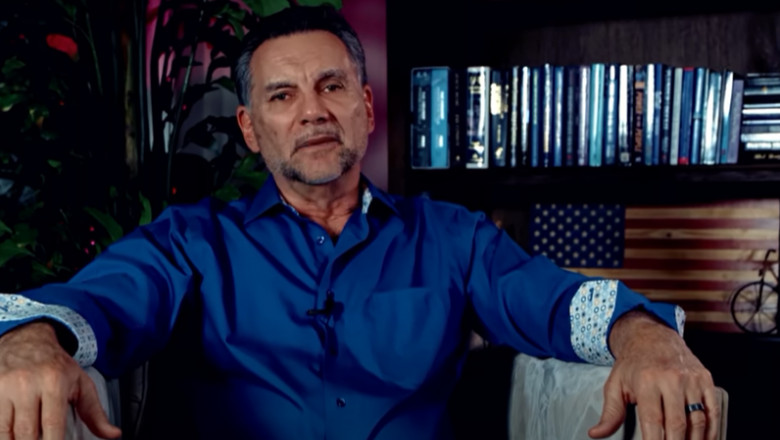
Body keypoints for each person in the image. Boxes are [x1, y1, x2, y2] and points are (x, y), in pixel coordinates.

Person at [0, 5, 719, 440]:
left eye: (332, 85)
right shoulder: (192, 240)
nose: (312, 111)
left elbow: (555, 301)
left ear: (366, 108)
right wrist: (31, 340)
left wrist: (645, 336)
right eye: (282, 95)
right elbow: (100, 298)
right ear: (250, 129)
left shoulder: (452, 236)